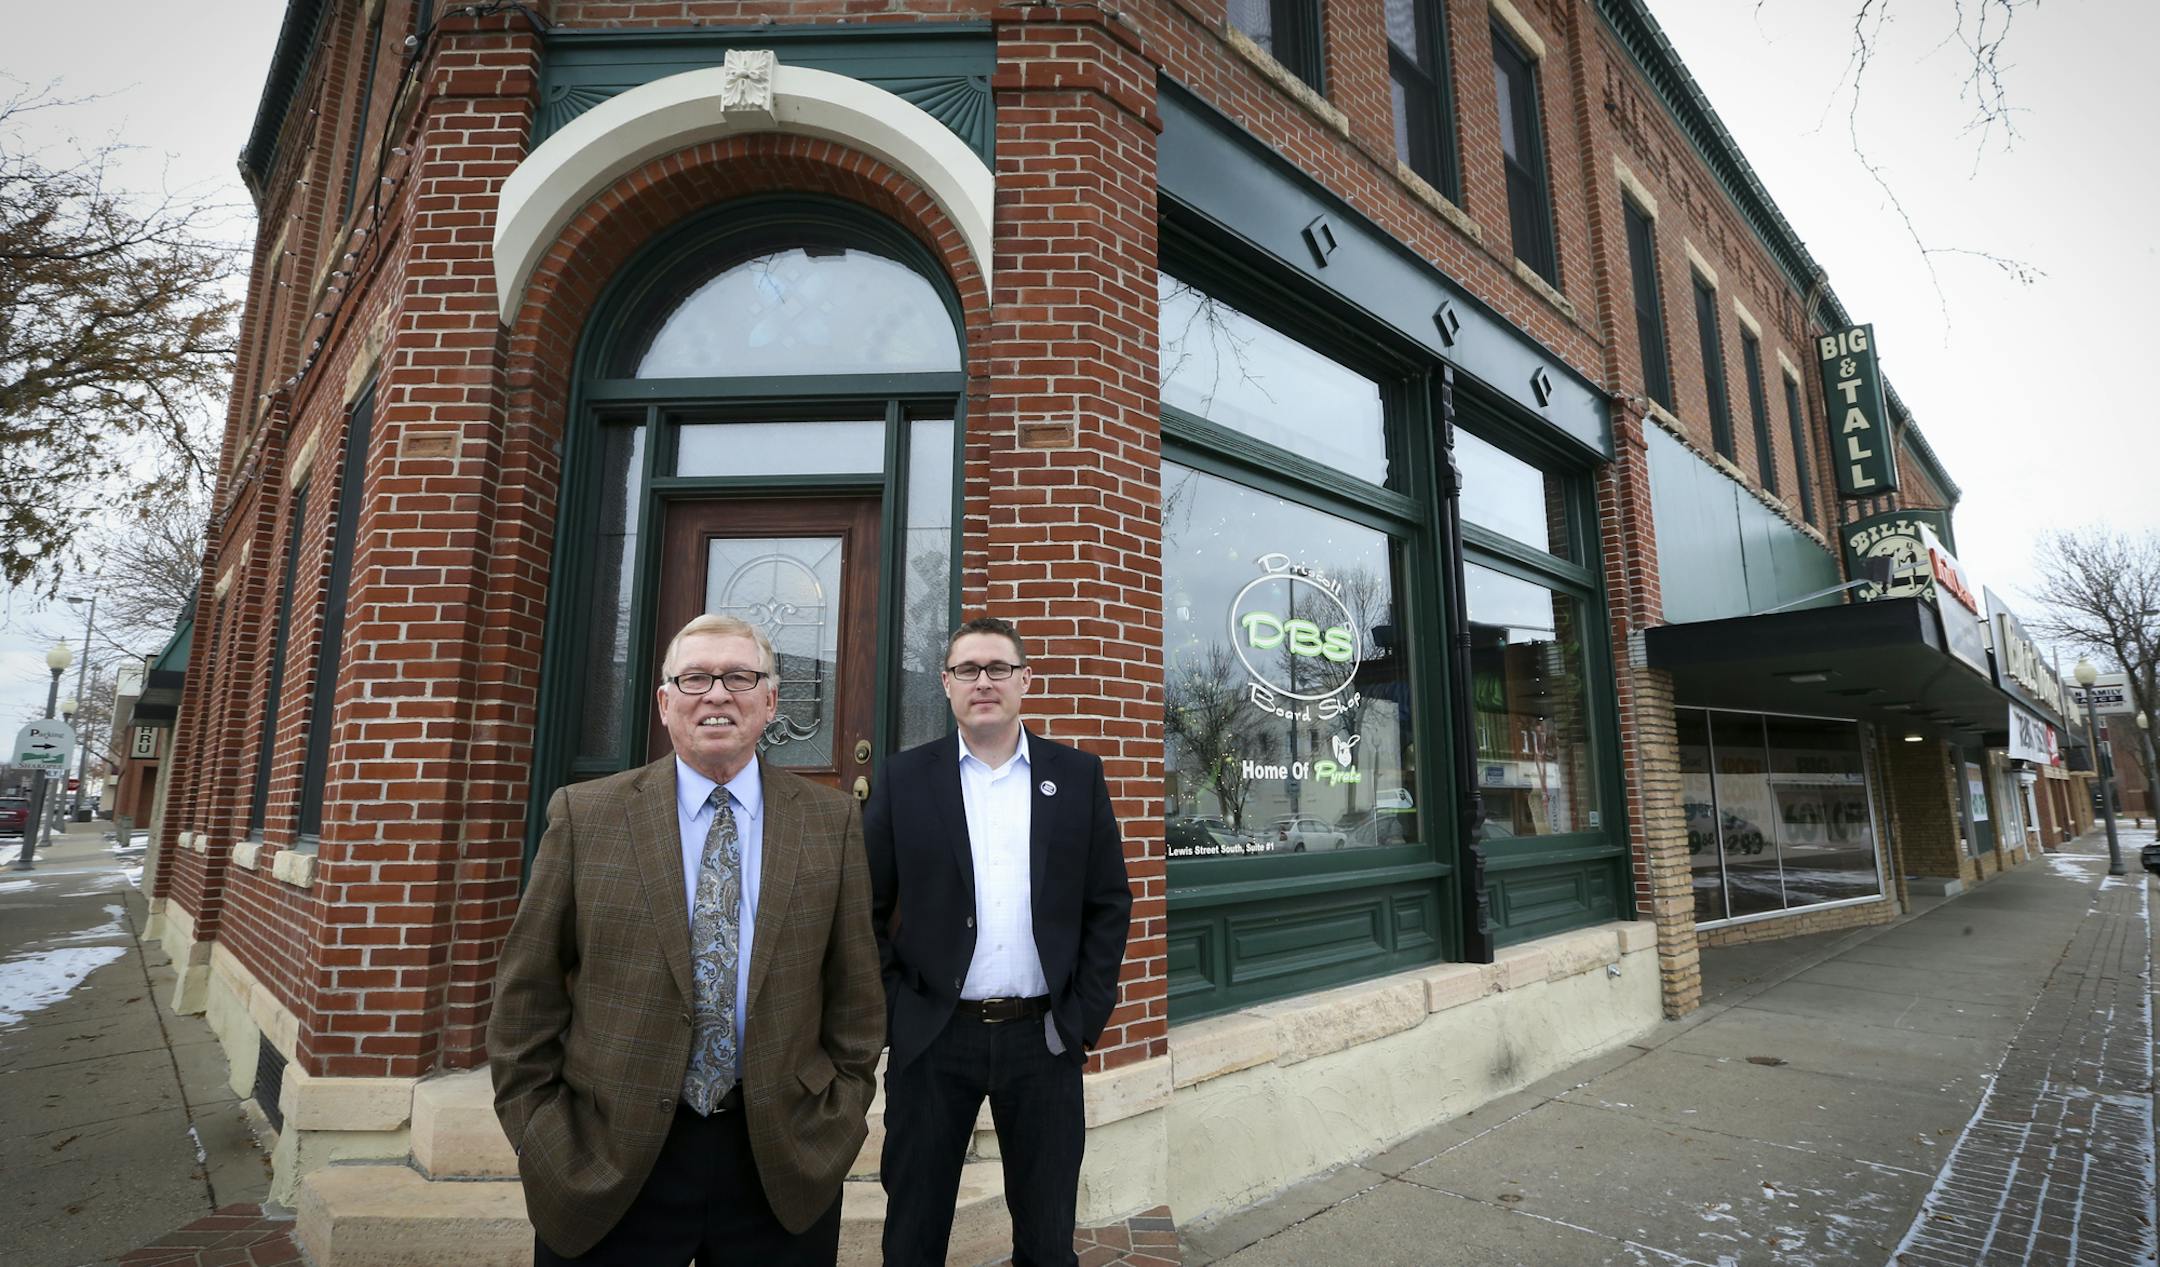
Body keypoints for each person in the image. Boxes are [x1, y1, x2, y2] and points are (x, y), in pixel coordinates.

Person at [489, 613, 884, 1266]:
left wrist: (837, 1121)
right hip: (609, 1159)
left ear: (771, 700)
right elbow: (525, 996)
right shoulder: (585, 816)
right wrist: (542, 1137)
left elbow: (856, 997)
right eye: (696, 677)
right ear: (665, 701)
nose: (718, 693)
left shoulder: (831, 819)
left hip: (781, 1159)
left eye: (740, 676)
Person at [866, 615, 1133, 1267]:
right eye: (967, 669)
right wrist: (896, 1008)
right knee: (913, 1234)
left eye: (997, 668)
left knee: (1047, 1241)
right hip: (932, 1035)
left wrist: (1084, 1017)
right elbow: (861, 909)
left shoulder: (1076, 776)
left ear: (1025, 680)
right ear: (947, 684)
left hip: (1042, 1037)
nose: (982, 681)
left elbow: (1109, 902)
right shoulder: (905, 780)